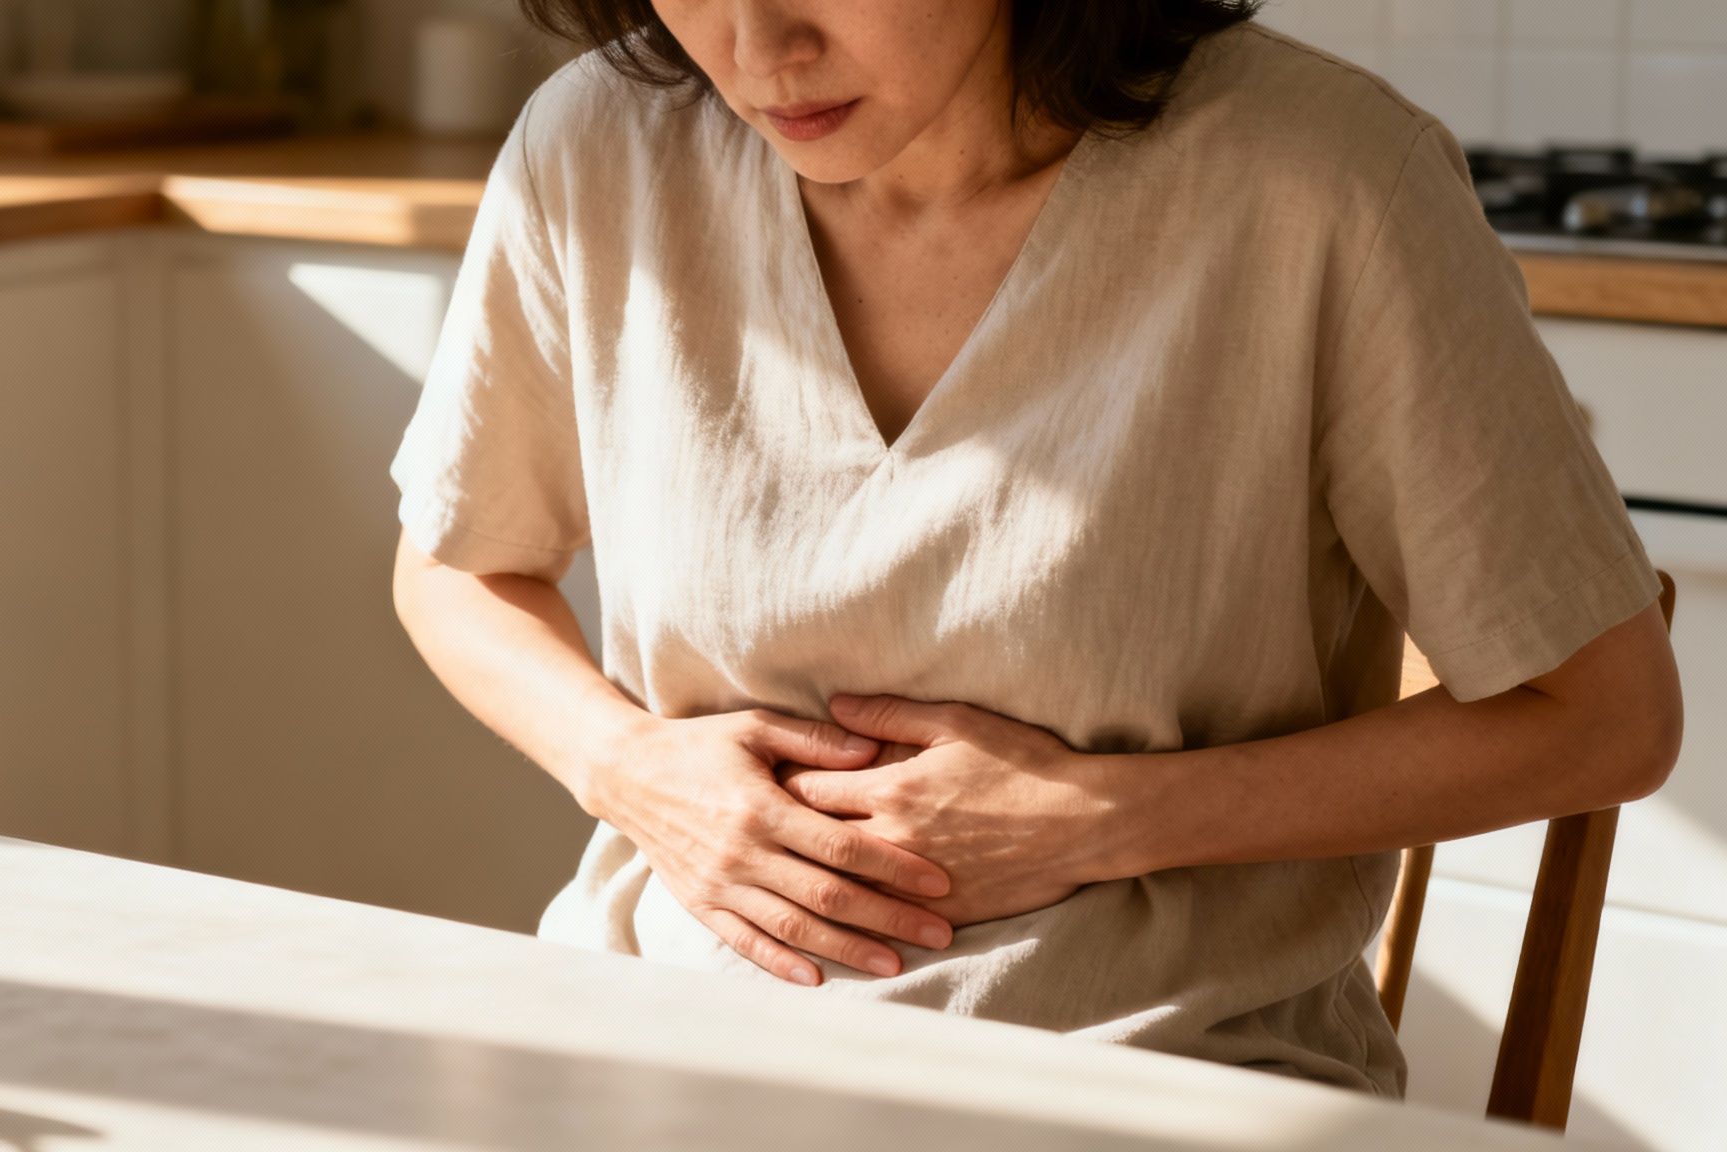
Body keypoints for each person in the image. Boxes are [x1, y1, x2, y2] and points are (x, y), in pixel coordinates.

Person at [388, 0, 1684, 1097]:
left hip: (1154, 1080)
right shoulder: (596, 147)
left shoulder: (1322, 180)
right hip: (655, 1051)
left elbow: (1605, 718)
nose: (757, 45)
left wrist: (1102, 822)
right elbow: (456, 564)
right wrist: (627, 766)